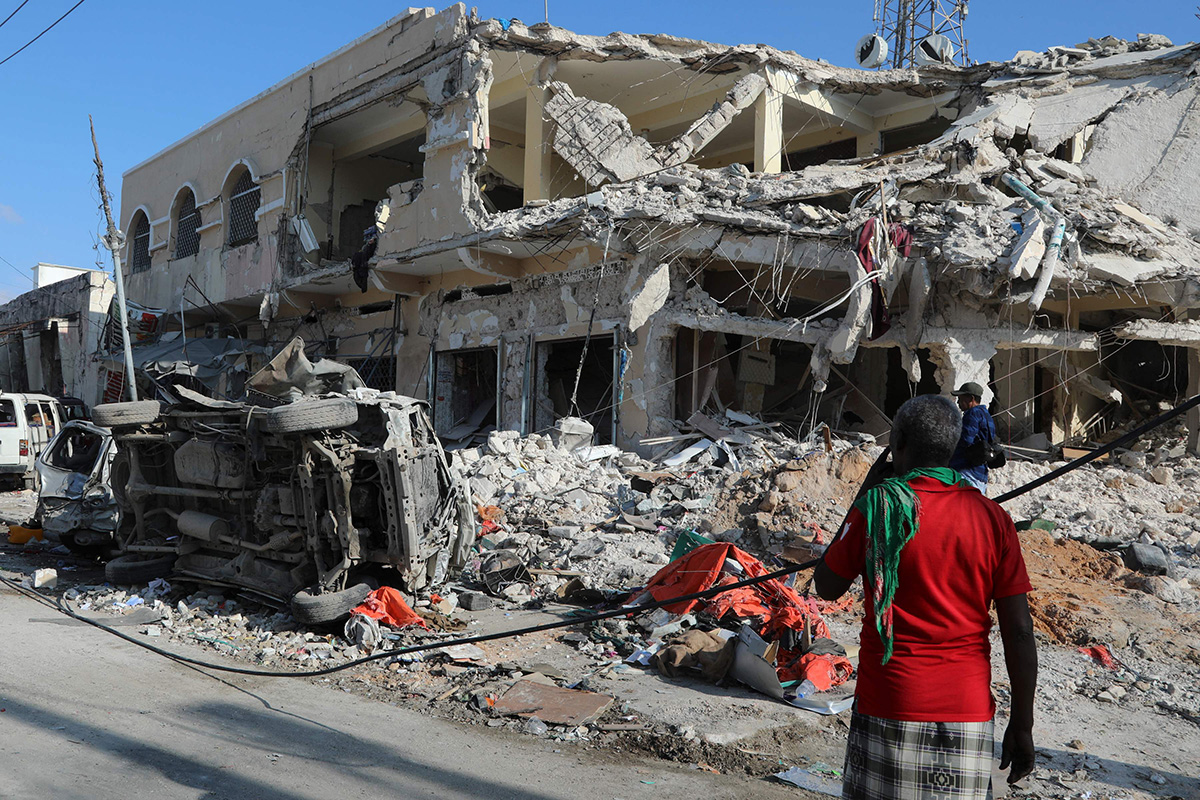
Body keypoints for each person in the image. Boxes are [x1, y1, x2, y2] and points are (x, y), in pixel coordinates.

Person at [814, 394, 1037, 800]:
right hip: (966, 710)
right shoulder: (993, 519)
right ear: (951, 448)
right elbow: (1019, 632)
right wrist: (1022, 724)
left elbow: (826, 586)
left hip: (890, 702)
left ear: (897, 443)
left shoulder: (877, 508)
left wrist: (863, 495)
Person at [949, 381, 996, 492]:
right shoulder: (986, 415)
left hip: (966, 472)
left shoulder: (973, 413)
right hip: (980, 474)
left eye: (961, 399)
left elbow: (965, 440)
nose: (958, 403)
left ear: (971, 399)